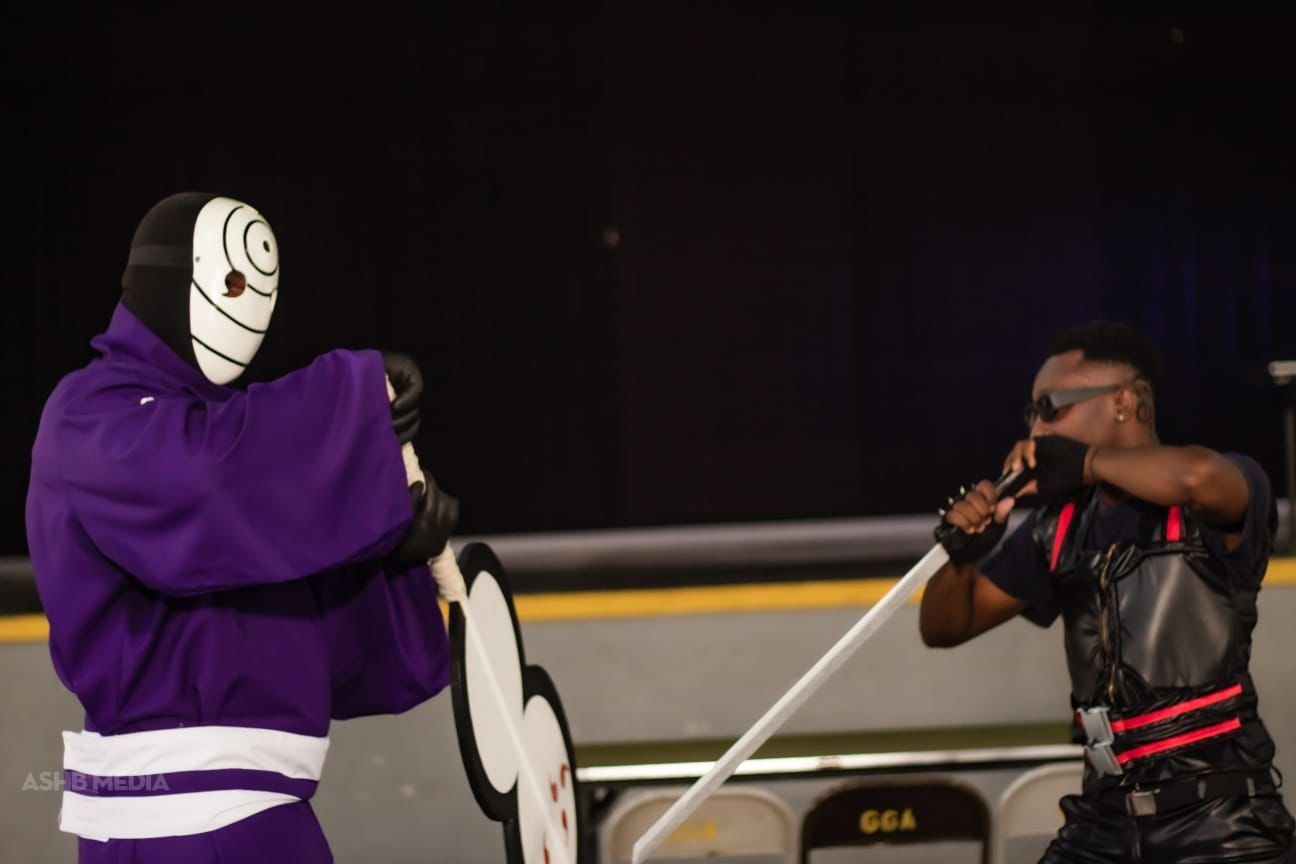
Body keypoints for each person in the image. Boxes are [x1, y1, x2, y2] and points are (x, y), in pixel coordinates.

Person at [25, 192, 461, 863]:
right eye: (232, 281)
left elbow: (324, 645)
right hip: (172, 817)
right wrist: (349, 408)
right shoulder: (93, 414)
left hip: (259, 810)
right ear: (171, 275)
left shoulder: (233, 455)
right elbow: (205, 482)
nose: (248, 305)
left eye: (265, 290)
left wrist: (389, 553)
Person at [921, 321, 1295, 863]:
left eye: (1050, 406)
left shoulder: (1218, 487)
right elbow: (944, 627)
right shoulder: (1059, 526)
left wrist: (1085, 463)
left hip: (1221, 824)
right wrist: (964, 557)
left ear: (1125, 401)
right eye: (1031, 413)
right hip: (1102, 824)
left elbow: (1196, 477)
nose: (1037, 428)